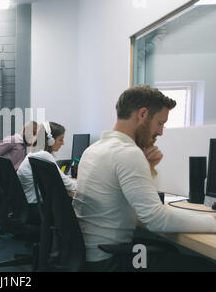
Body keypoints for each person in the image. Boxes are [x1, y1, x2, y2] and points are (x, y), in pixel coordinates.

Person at [72, 85, 216, 272]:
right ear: (142, 114)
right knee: (205, 267)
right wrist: (213, 222)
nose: (161, 132)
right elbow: (156, 219)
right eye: (160, 123)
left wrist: (148, 167)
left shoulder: (94, 149)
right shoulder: (128, 153)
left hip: (89, 254)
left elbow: (131, 200)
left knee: (170, 250)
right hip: (109, 261)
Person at [17, 122, 76, 207]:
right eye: (61, 139)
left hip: (27, 204)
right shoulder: (43, 155)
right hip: (35, 206)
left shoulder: (34, 153)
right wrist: (84, 184)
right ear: (50, 140)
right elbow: (69, 185)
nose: (63, 143)